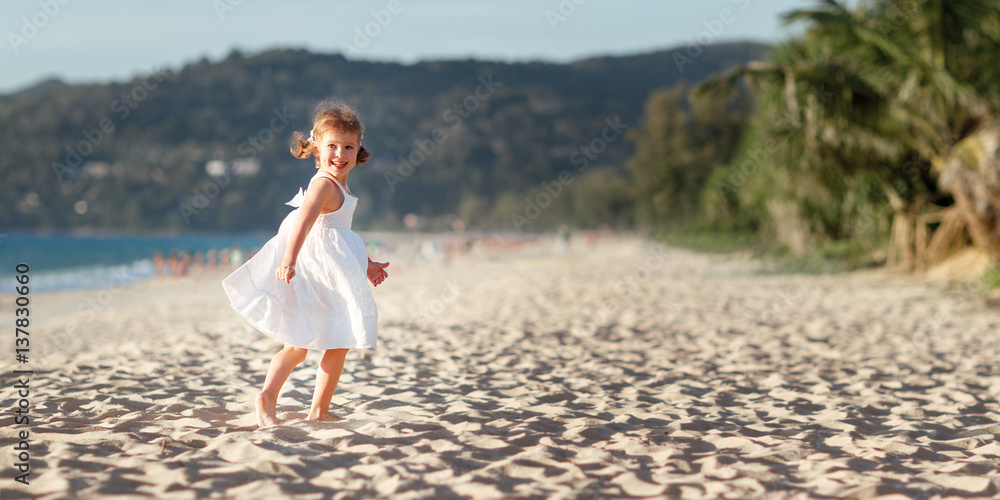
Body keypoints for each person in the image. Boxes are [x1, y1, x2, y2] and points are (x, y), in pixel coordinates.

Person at [221, 100, 389, 428]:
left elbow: (340, 232)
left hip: (331, 268)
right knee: (324, 343)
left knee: (307, 344)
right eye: (332, 147)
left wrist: (366, 263)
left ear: (358, 152)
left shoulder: (338, 183)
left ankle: (291, 402)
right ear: (315, 147)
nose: (340, 154)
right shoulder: (324, 184)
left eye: (348, 147)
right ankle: (291, 404)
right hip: (316, 272)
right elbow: (303, 223)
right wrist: (288, 260)